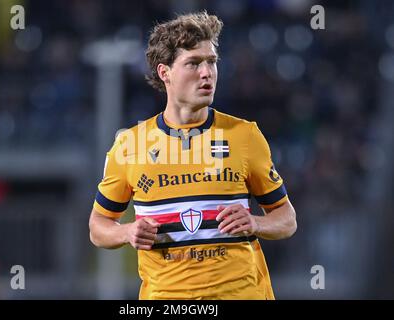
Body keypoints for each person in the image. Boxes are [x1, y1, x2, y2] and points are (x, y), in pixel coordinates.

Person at [89, 11, 297, 300]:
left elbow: (287, 218)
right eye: (194, 63)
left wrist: (256, 222)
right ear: (165, 73)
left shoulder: (244, 135)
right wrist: (126, 232)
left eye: (212, 62)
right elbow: (98, 227)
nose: (206, 73)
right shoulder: (130, 145)